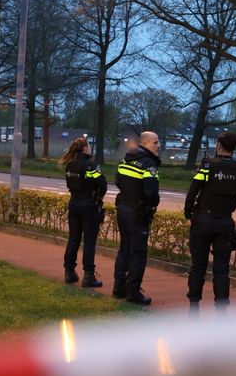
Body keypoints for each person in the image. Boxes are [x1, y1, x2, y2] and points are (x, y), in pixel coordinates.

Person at [184, 131, 236, 314]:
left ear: (218, 145)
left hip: (202, 221)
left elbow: (193, 190)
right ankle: (221, 311)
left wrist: (188, 213)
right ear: (234, 148)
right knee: (221, 270)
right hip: (224, 223)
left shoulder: (207, 166)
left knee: (198, 266)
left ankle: (194, 307)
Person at [113, 131, 161, 305]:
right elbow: (151, 192)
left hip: (123, 209)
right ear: (145, 144)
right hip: (138, 213)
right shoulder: (148, 164)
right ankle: (133, 292)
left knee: (124, 248)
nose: (158, 146)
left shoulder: (126, 160)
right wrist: (152, 202)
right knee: (138, 252)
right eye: (155, 143)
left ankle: (119, 288)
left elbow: (118, 181)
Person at [59, 137, 107, 287]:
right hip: (89, 207)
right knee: (89, 242)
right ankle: (88, 276)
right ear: (85, 149)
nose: (90, 148)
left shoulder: (70, 165)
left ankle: (69, 272)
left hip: (74, 205)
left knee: (73, 239)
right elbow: (103, 185)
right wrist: (97, 197)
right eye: (89, 146)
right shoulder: (91, 166)